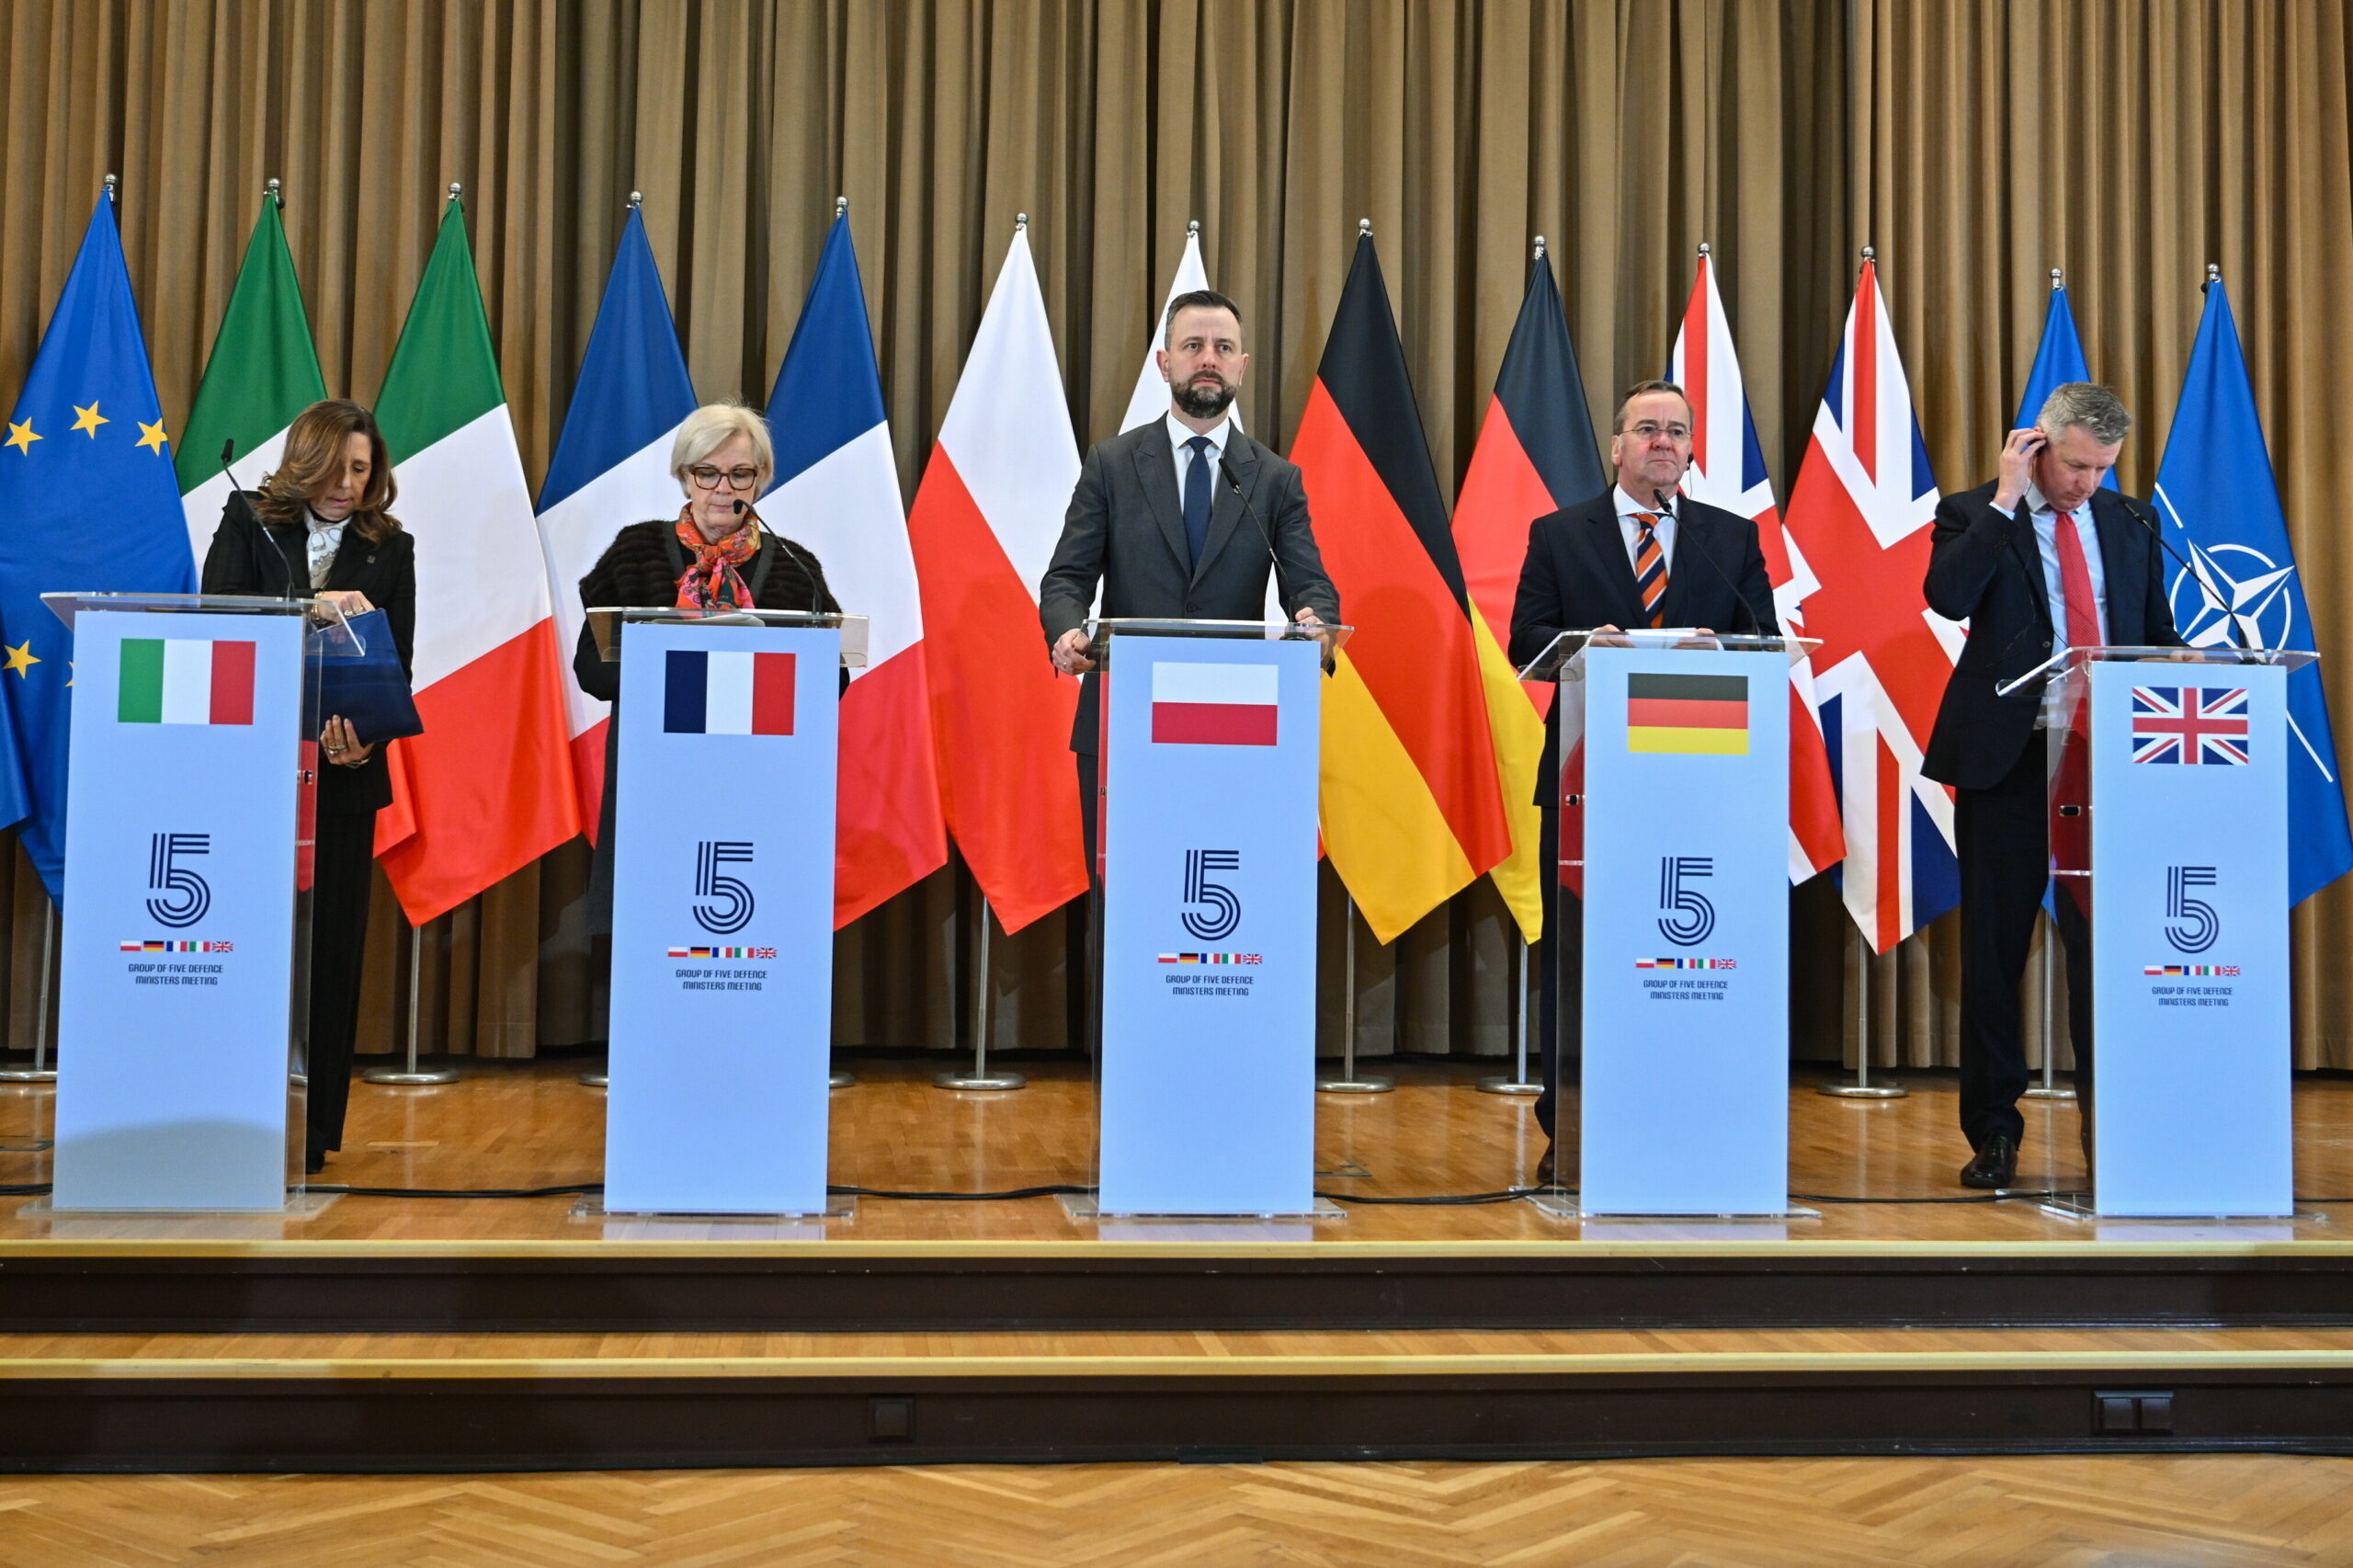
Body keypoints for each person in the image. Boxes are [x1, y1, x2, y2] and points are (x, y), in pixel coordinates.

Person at [1507, 380, 1778, 1182]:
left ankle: (1693, 1112)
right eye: (1648, 429)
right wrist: (1588, 643)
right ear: (1616, 446)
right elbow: (1526, 641)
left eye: (1678, 431)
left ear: (1691, 450)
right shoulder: (1560, 533)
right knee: (1580, 954)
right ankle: (1570, 1125)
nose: (1664, 442)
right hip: (1589, 780)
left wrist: (1719, 651)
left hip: (1701, 783)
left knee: (1687, 954)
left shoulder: (1730, 537)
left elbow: (1764, 638)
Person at [1923, 381, 2183, 1190]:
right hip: (2012, 760)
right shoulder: (1975, 512)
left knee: (2104, 953)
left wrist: (2184, 660)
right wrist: (2006, 500)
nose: (2086, 484)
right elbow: (1946, 597)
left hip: (2109, 766)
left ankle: (2115, 1132)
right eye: (2075, 466)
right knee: (1994, 953)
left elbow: (2156, 634)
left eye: (2102, 469)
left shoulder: (2131, 520)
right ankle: (1995, 1133)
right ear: (2036, 446)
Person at [1038, 288, 1340, 858]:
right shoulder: (1112, 465)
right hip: (1124, 720)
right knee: (1126, 886)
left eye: (1223, 348)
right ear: (1164, 362)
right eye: (1193, 345)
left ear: (1241, 366)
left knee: (1219, 880)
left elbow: (1309, 583)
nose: (1208, 359)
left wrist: (1317, 623)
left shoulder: (1275, 479)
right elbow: (1066, 579)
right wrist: (1066, 631)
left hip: (1236, 723)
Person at [199, 398, 415, 1175]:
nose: (348, 484)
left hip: (342, 781)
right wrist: (305, 608)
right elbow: (220, 618)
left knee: (331, 957)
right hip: (252, 779)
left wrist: (366, 741)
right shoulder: (248, 519)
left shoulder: (391, 547)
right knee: (247, 949)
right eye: (336, 467)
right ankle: (231, 1116)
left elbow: (399, 662)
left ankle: (313, 1134)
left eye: (362, 469)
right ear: (305, 460)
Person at [573, 403, 840, 917]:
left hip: (761, 779)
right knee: (655, 919)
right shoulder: (635, 552)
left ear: (760, 480)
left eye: (740, 473)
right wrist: (672, 664)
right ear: (684, 477)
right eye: (707, 473)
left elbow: (833, 680)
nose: (723, 488)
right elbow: (592, 670)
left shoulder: (795, 567)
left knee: (750, 923)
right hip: (654, 778)